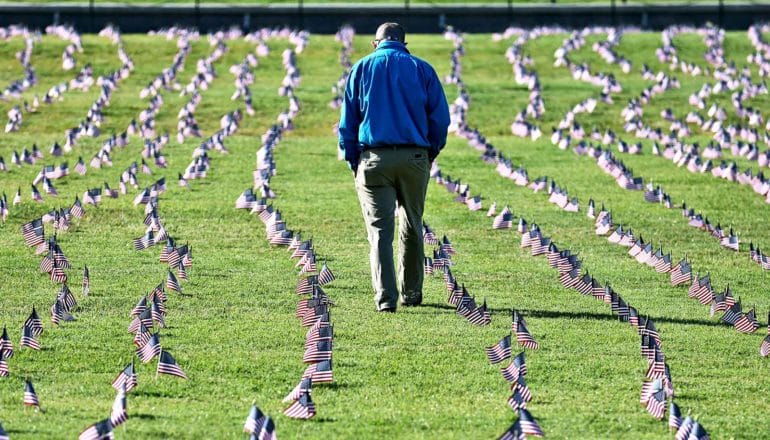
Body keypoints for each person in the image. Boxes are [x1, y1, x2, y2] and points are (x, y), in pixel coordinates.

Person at [338, 22, 450, 313]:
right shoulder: (421, 68)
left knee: (379, 232)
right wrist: (429, 153)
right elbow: (440, 119)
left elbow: (348, 123)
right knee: (412, 225)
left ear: (376, 43)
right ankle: (411, 292)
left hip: (374, 158)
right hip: (415, 157)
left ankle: (385, 298)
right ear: (404, 43)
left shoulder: (361, 69)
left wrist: (354, 160)